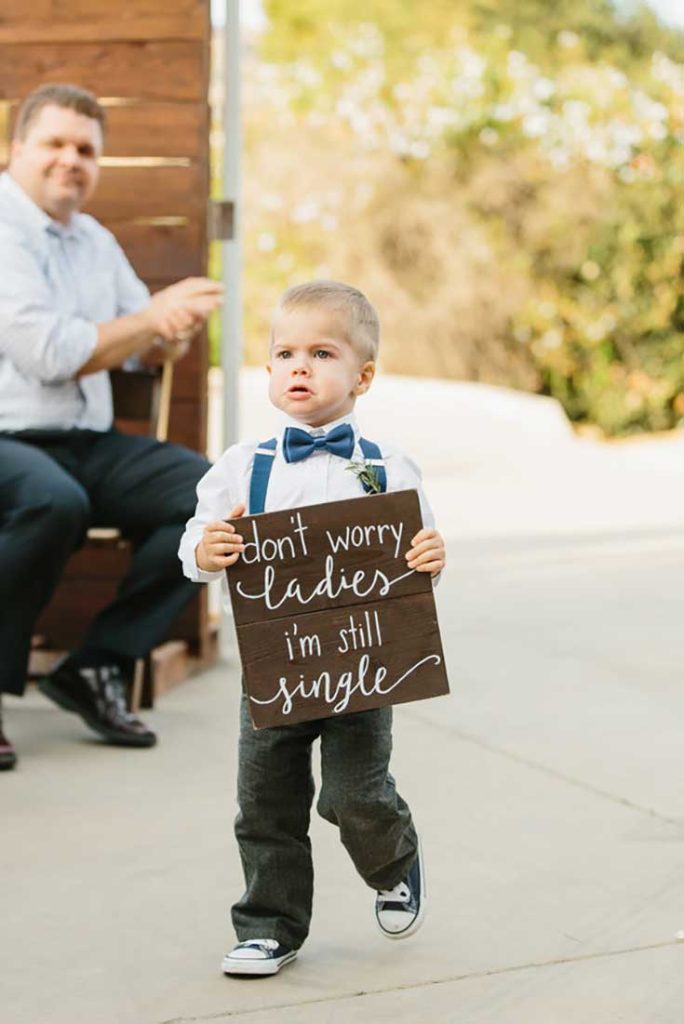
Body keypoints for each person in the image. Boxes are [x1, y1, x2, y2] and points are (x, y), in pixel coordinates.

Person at [178, 280, 446, 975]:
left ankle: (393, 859)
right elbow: (197, 544)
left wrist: (428, 556)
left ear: (362, 377)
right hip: (274, 667)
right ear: (268, 370)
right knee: (265, 801)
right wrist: (205, 550)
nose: (299, 366)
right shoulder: (243, 466)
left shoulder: (386, 466)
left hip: (361, 667)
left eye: (321, 352)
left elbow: (416, 558)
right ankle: (270, 924)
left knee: (353, 792)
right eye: (285, 352)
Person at [0, 83, 224, 771]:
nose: (72, 160)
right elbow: (46, 354)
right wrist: (151, 320)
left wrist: (168, 337)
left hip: (83, 442)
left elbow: (144, 335)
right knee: (51, 501)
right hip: (8, 437)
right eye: (56, 144)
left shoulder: (94, 241)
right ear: (16, 149)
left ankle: (97, 666)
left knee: (216, 496)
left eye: (86, 150)